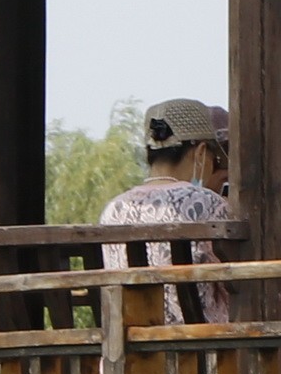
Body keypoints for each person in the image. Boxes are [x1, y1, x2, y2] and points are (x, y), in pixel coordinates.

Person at [99, 98, 234, 321]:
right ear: (200, 152)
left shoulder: (113, 209)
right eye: (214, 157)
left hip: (133, 348)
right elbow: (233, 286)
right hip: (202, 347)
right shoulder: (207, 203)